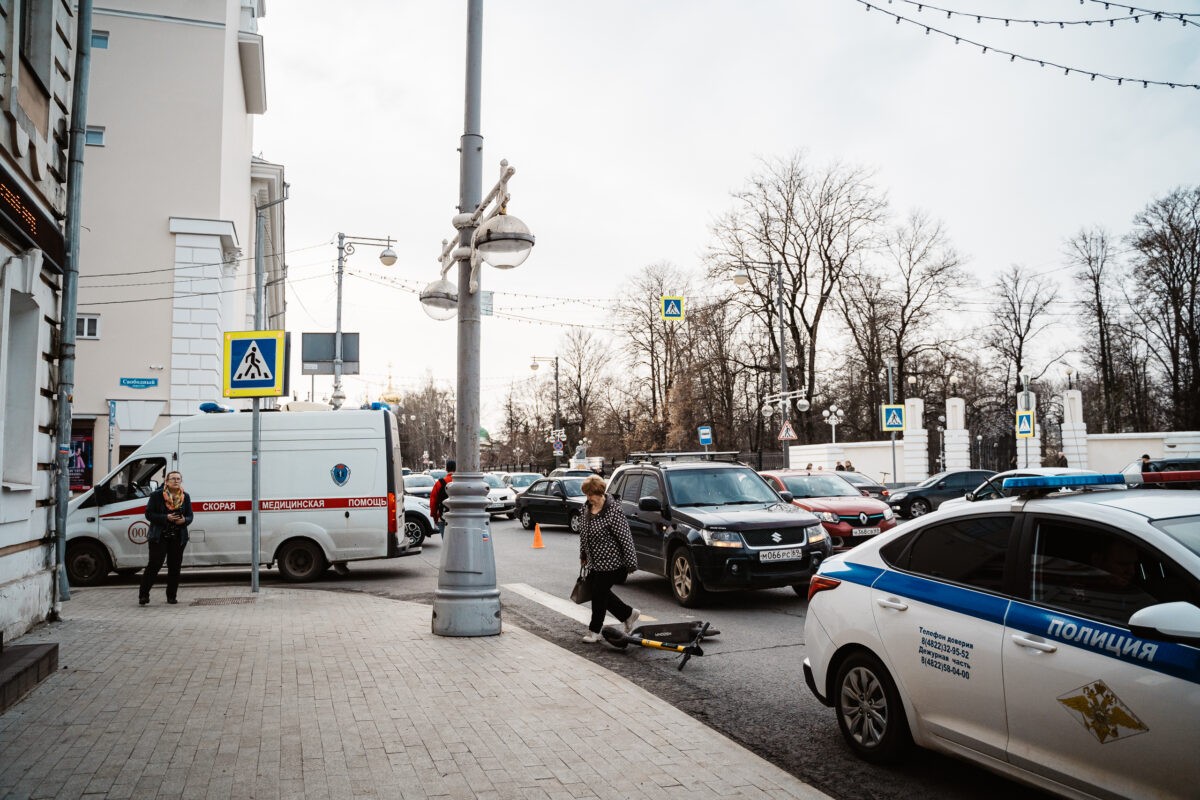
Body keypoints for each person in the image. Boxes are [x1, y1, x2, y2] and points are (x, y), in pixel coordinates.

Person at [577, 475, 639, 643]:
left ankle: (594, 631)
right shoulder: (586, 509)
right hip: (595, 562)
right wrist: (583, 555)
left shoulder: (613, 510)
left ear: (600, 492)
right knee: (598, 591)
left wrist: (631, 564)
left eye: (591, 495)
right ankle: (628, 614)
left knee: (598, 595)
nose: (588, 498)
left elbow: (625, 538)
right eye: (586, 495)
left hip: (613, 563)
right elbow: (584, 535)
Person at [139, 470, 193, 605]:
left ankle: (171, 596)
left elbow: (190, 516)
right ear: (166, 481)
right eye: (173, 478)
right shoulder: (157, 495)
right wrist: (166, 517)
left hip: (178, 536)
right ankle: (143, 595)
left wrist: (184, 520)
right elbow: (149, 514)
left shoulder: (185, 496)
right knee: (154, 564)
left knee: (175, 566)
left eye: (178, 479)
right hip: (159, 536)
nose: (176, 481)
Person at [429, 459, 456, 537]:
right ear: (456, 469)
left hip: (443, 516)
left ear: (446, 469)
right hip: (460, 518)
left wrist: (434, 516)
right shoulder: (461, 482)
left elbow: (433, 501)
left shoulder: (439, 483)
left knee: (446, 543)